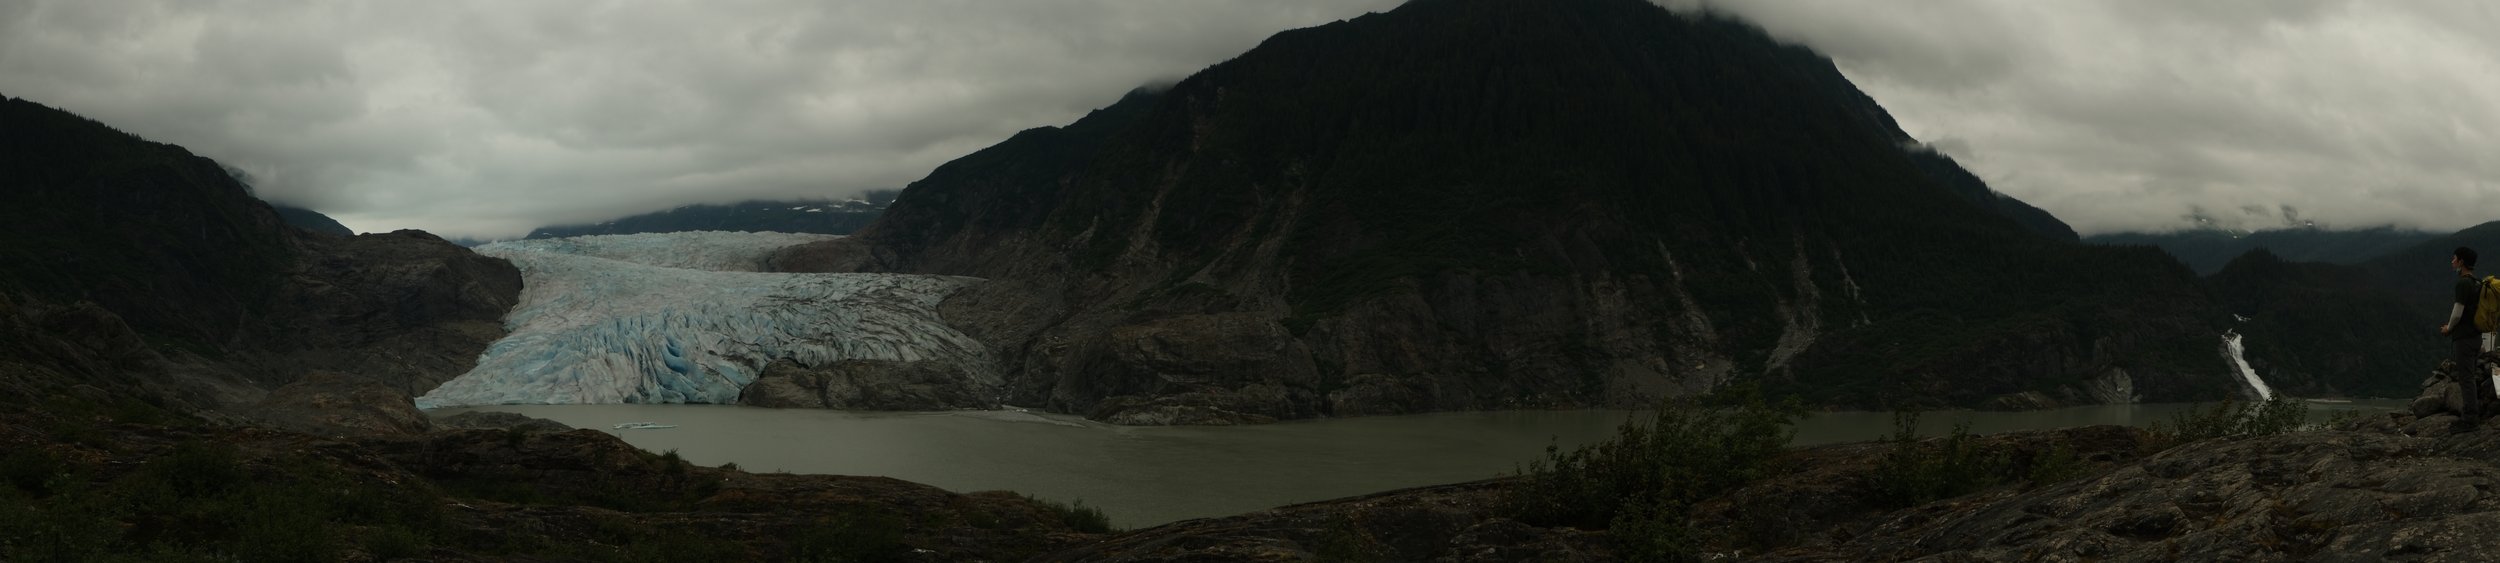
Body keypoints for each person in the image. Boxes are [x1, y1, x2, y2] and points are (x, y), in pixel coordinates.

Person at [2441, 247, 2484, 424]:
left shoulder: (2463, 283)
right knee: (2471, 377)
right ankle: (2472, 415)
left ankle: (2470, 419)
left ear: (2462, 262)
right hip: (2476, 336)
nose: (2452, 261)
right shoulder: (2478, 282)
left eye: (2454, 259)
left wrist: (2448, 328)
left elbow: (2458, 312)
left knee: (2466, 379)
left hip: (2464, 338)